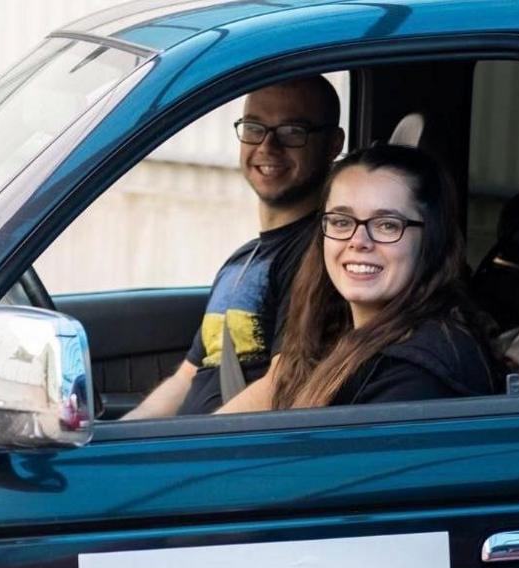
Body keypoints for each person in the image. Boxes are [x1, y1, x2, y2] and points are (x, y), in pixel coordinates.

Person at [122, 75, 345, 419]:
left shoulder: (322, 255)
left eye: (291, 132)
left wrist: (193, 447)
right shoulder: (242, 260)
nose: (267, 147)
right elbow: (188, 376)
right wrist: (121, 438)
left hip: (227, 457)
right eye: (255, 128)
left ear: (332, 144)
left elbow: (281, 386)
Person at [219, 144, 499, 413]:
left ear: (431, 240)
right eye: (341, 221)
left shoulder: (418, 377)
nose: (358, 240)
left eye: (387, 225)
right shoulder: (335, 333)